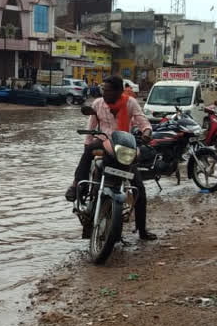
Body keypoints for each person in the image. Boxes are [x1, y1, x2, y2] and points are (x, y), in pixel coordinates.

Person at [64, 76, 157, 241]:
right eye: (103, 90)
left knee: (139, 190)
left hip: (124, 144)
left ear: (119, 91)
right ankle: (77, 186)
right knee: (87, 153)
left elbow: (143, 122)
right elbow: (91, 127)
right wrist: (87, 145)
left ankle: (142, 231)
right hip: (103, 141)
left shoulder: (130, 103)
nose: (105, 93)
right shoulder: (97, 104)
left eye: (108, 90)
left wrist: (147, 133)